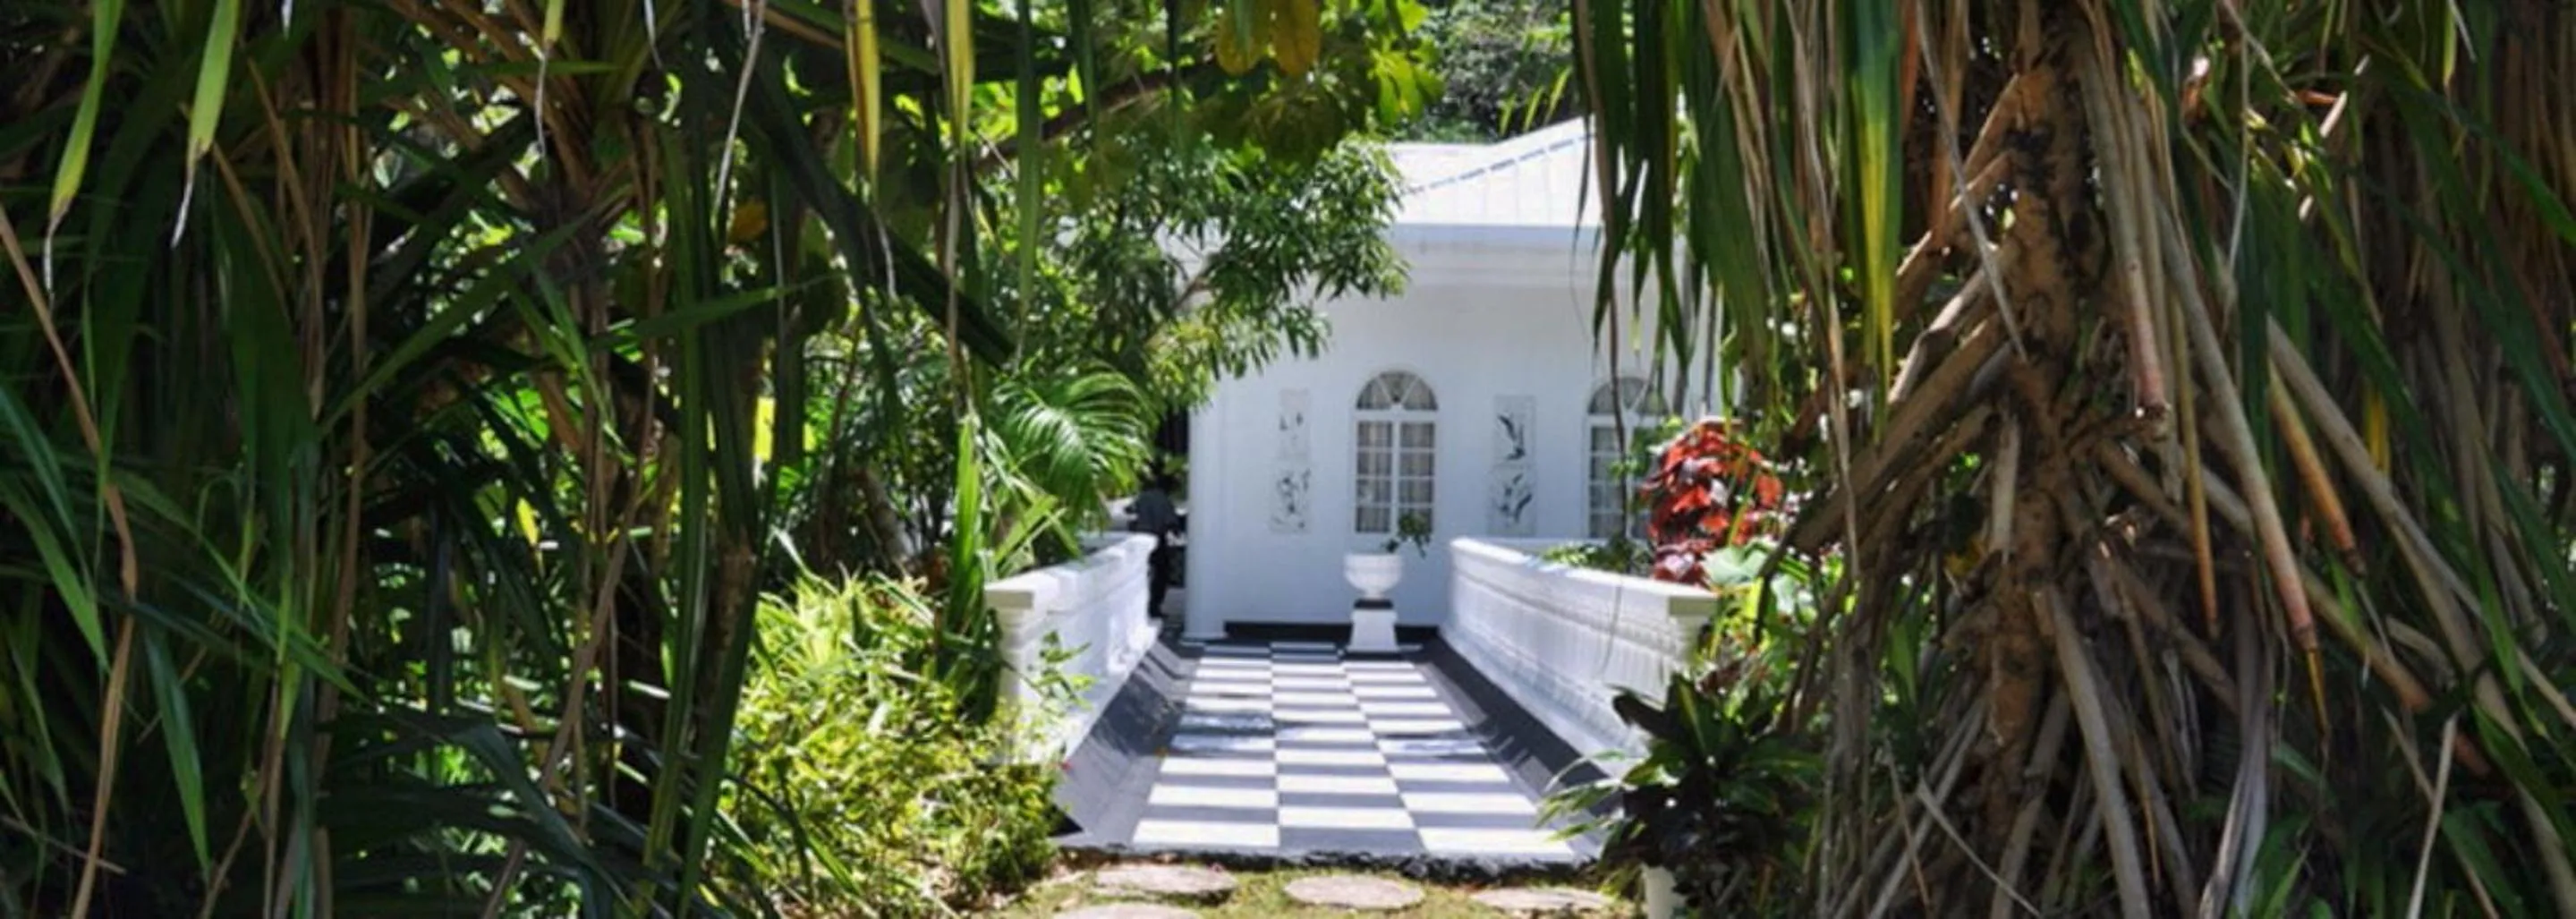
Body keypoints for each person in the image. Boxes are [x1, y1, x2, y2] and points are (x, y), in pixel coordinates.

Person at [1128, 472, 1182, 616]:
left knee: (1141, 574)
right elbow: (1170, 521)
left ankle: (1142, 606)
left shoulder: (1144, 497)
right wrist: (1177, 533)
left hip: (1140, 538)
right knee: (1161, 575)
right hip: (1158, 538)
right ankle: (1154, 606)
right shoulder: (1164, 500)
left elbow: (1130, 511)